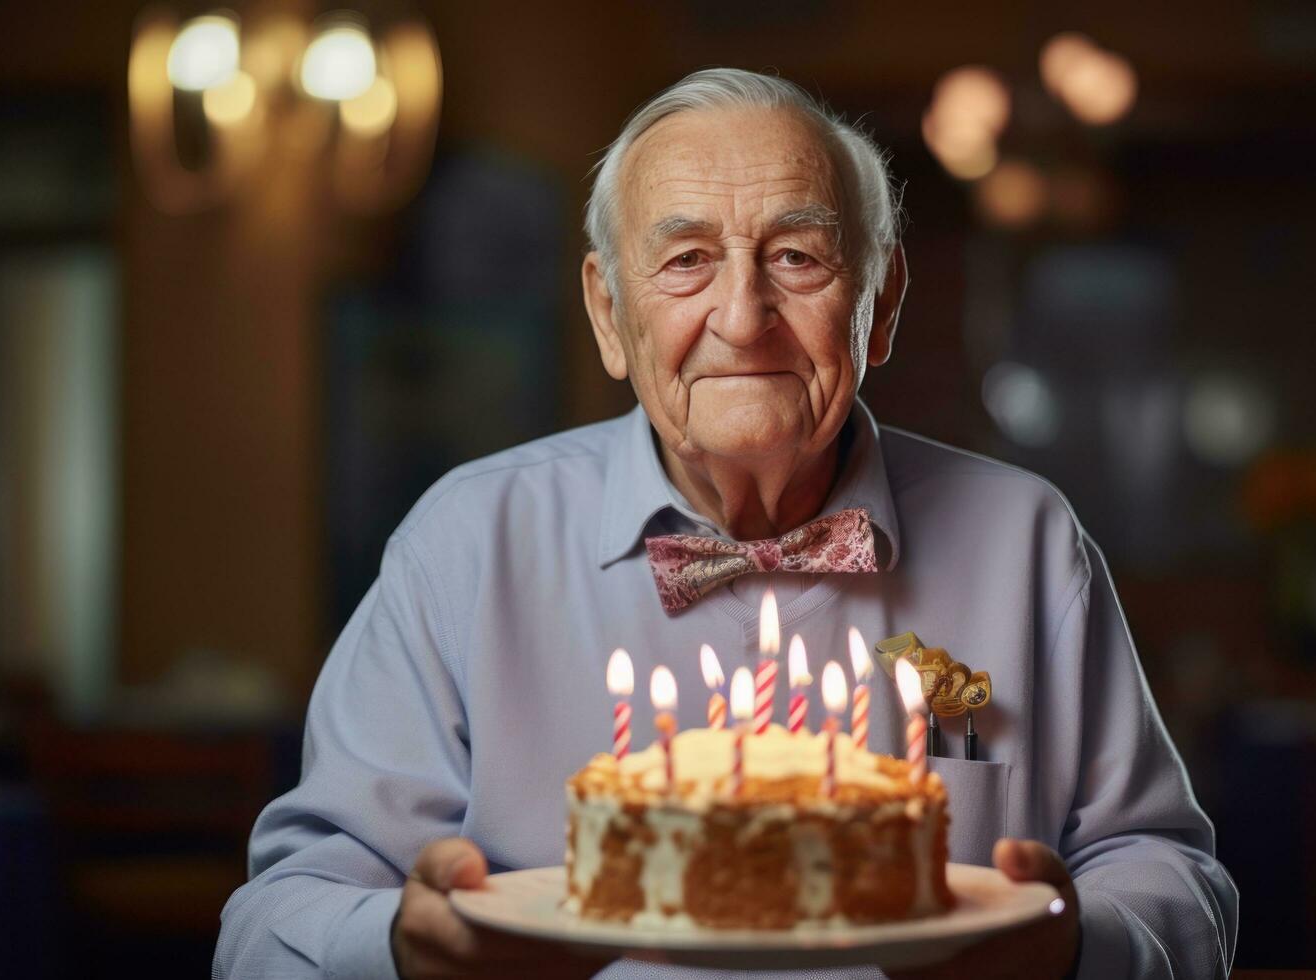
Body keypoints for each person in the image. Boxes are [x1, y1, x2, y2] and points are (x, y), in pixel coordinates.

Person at [214, 68, 1238, 980]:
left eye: (798, 257)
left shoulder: (1027, 544)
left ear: (880, 306)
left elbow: (1179, 882)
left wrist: (1069, 945)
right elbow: (267, 929)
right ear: (611, 316)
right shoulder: (465, 545)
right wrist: (403, 944)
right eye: (687, 261)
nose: (743, 318)